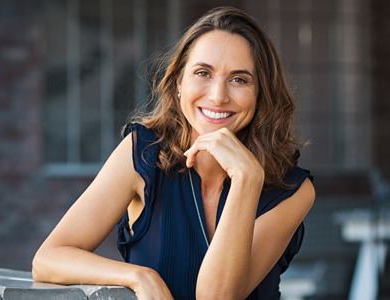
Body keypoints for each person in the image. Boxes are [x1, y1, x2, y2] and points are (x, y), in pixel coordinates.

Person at [32, 6, 315, 300]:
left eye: (239, 79)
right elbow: (48, 259)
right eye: (203, 73)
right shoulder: (142, 152)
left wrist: (247, 179)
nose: (218, 96)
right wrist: (139, 276)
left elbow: (217, 297)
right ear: (179, 83)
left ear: (261, 94)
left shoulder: (293, 190)